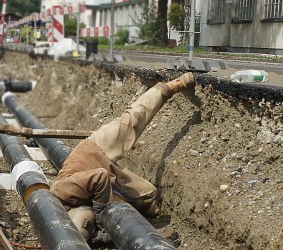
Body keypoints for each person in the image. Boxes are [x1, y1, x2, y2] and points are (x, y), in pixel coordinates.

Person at [50, 72, 195, 240]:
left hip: (96, 149)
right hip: (102, 171)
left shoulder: (62, 191)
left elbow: (99, 176)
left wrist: (99, 218)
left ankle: (167, 88)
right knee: (148, 194)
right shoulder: (66, 208)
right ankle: (148, 217)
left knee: (132, 119)